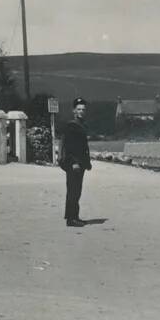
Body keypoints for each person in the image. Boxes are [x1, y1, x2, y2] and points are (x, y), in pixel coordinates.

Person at [59, 97, 92, 227]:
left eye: (83, 109)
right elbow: (70, 146)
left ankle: (74, 216)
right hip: (74, 164)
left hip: (80, 164)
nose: (81, 111)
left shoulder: (81, 125)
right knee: (73, 190)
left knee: (76, 190)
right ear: (74, 110)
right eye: (79, 109)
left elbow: (83, 147)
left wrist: (86, 162)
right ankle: (71, 219)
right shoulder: (72, 126)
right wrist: (74, 162)